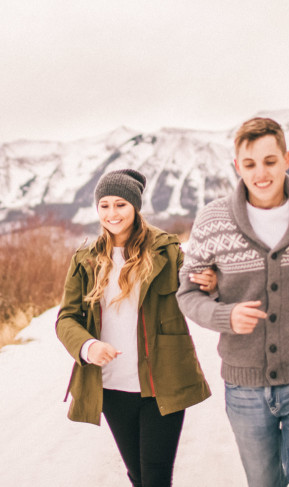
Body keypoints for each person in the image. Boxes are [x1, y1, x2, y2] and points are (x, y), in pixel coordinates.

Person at [176, 117, 289, 487]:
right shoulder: (212, 220)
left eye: (270, 161)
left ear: (287, 159)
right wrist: (224, 315)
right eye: (250, 164)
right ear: (237, 167)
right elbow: (188, 292)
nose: (261, 173)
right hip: (245, 388)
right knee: (263, 482)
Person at [56, 168, 215, 487]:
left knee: (155, 476)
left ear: (135, 207)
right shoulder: (85, 259)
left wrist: (211, 284)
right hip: (113, 387)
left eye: (121, 205)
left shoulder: (167, 252)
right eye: (105, 205)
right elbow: (66, 319)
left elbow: (195, 290)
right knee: (138, 476)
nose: (112, 213)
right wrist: (89, 347)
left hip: (163, 382)